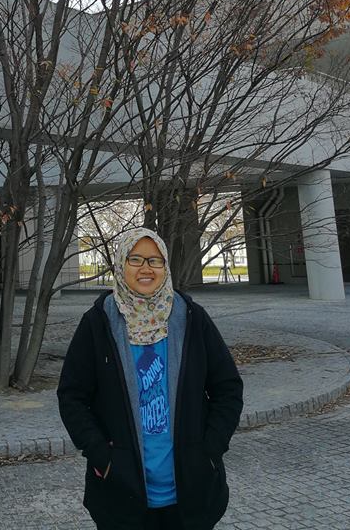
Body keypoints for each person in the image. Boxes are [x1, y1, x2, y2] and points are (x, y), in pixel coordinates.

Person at [57, 226, 243, 530]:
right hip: (121, 493)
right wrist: (102, 457)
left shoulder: (192, 319)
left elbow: (228, 389)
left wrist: (209, 451)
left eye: (155, 260)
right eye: (135, 259)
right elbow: (72, 397)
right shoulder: (98, 323)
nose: (146, 268)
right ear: (121, 264)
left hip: (190, 491)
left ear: (165, 266)